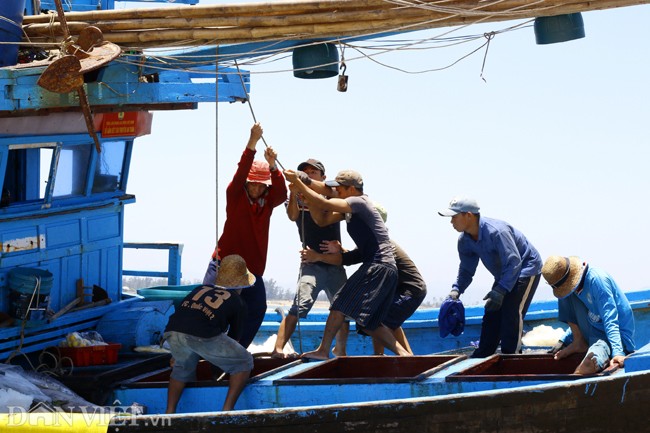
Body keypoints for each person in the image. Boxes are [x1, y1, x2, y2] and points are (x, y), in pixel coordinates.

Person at [284, 168, 411, 359]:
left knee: (339, 304)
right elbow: (321, 219)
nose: (337, 192)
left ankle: (323, 350)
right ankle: (405, 356)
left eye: (340, 190)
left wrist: (300, 185)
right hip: (382, 267)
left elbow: (322, 201)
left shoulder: (358, 202)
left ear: (351, 189)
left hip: (378, 265)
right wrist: (306, 183)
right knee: (370, 323)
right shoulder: (349, 208)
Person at [203, 123, 287, 348]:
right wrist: (252, 142)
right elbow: (240, 173)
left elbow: (281, 193)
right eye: (254, 184)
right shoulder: (235, 196)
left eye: (262, 186)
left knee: (257, 309)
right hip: (225, 265)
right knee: (211, 313)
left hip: (252, 271)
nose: (257, 188)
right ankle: (206, 353)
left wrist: (273, 166)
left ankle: (235, 349)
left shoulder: (268, 203)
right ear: (247, 183)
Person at [308, 203, 427, 355]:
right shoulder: (377, 243)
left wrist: (319, 257)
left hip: (409, 290)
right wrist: (339, 251)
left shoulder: (383, 245)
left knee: (376, 321)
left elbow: (356, 257)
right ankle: (398, 357)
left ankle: (404, 356)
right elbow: (356, 256)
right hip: (406, 288)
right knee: (383, 320)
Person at [438, 196, 542, 358]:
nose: (451, 222)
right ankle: (484, 353)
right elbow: (466, 269)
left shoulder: (496, 231)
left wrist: (501, 290)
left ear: (469, 215)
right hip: (504, 273)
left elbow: (514, 262)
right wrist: (456, 290)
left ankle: (512, 356)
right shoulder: (465, 240)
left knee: (511, 311)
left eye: (454, 217)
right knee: (491, 311)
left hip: (525, 268)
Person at [272, 159, 349, 359]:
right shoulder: (297, 197)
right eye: (305, 172)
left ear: (322, 178)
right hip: (311, 263)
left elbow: (335, 213)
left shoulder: (330, 196)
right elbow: (292, 216)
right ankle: (278, 350)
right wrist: (293, 192)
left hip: (334, 262)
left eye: (313, 172)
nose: (308, 174)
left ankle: (340, 350)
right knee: (299, 305)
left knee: (344, 309)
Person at [164, 254, 256, 413]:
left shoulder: (200, 288)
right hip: (202, 334)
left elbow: (184, 315)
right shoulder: (238, 302)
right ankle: (227, 410)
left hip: (172, 330)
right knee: (244, 362)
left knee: (181, 369)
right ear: (242, 284)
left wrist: (176, 352)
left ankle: (169, 413)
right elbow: (234, 338)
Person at [541, 255, 635, 374]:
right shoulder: (575, 289)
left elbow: (610, 319)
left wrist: (617, 353)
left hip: (613, 338)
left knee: (589, 363)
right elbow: (588, 315)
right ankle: (578, 342)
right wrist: (564, 340)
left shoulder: (597, 280)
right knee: (563, 296)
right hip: (593, 330)